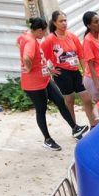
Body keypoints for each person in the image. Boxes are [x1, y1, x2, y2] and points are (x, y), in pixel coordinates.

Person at [17, 17, 81, 150]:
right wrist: (28, 68)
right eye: (44, 31)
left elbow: (17, 43)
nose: (44, 34)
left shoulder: (26, 36)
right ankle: (47, 139)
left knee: (60, 100)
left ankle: (75, 128)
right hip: (34, 84)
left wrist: (44, 68)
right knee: (41, 110)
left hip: (44, 79)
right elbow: (26, 57)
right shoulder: (30, 41)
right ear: (39, 30)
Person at [44, 10, 97, 131]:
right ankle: (75, 128)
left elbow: (81, 55)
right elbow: (41, 56)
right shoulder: (50, 40)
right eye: (61, 21)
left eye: (65, 20)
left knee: (87, 98)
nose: (64, 23)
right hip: (62, 73)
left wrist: (85, 72)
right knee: (69, 101)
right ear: (55, 23)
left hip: (75, 71)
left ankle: (93, 125)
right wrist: (50, 70)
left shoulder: (72, 36)